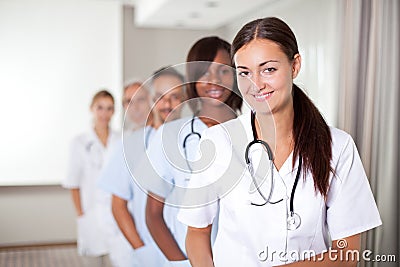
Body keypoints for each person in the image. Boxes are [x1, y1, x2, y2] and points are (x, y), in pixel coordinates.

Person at [177, 17, 382, 267]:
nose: (257, 85)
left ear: (295, 66)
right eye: (245, 73)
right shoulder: (219, 141)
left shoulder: (337, 146)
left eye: (269, 69)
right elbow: (197, 231)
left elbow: (347, 251)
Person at [145, 36, 243, 267]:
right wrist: (180, 262)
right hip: (187, 258)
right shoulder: (170, 135)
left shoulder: (253, 134)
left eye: (223, 71)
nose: (214, 81)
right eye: (204, 72)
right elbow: (152, 215)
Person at [98, 67, 186, 267]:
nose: (167, 103)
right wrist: (141, 249)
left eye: (175, 96)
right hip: (150, 252)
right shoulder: (132, 144)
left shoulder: (194, 138)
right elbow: (118, 204)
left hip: (188, 250)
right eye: (160, 96)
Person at [63, 90, 119, 267]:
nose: (104, 113)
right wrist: (81, 215)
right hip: (91, 211)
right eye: (100, 108)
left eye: (109, 108)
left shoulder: (120, 139)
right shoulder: (79, 142)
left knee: (118, 259)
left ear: (114, 111)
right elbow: (73, 182)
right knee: (93, 262)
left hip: (117, 213)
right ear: (91, 109)